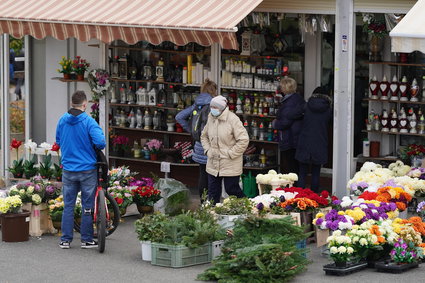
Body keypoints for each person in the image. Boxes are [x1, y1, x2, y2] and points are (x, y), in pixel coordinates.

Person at [56, 91, 106, 249]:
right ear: (85, 105)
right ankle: (86, 239)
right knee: (87, 205)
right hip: (87, 169)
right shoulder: (89, 121)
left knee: (68, 205)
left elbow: (58, 140)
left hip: (68, 169)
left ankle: (65, 240)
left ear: (72, 103)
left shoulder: (62, 120)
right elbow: (100, 142)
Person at [200, 95, 249, 204]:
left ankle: (247, 207)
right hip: (213, 162)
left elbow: (243, 140)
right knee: (213, 192)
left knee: (231, 189)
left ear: (222, 108)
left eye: (215, 107)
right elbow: (204, 136)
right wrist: (208, 150)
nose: (212, 109)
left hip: (230, 162)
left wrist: (231, 153)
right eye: (211, 106)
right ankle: (213, 216)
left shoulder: (233, 119)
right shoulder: (210, 118)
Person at [176, 78, 218, 201]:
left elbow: (179, 116)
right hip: (210, 145)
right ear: (213, 90)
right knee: (212, 176)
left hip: (199, 145)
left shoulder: (196, 105)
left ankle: (203, 201)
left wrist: (192, 130)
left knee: (202, 174)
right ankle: (211, 202)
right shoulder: (213, 106)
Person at [295, 87, 332, 193]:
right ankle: (314, 197)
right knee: (316, 172)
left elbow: (295, 115)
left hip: (305, 141)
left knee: (302, 172)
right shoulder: (328, 109)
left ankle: (299, 196)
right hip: (320, 141)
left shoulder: (306, 106)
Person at [272, 77, 305, 175]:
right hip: (295, 136)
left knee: (290, 166)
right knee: (295, 166)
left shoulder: (289, 103)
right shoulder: (297, 99)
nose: (280, 89)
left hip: (289, 137)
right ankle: (296, 187)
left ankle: (292, 188)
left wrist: (275, 123)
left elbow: (285, 122)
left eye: (281, 87)